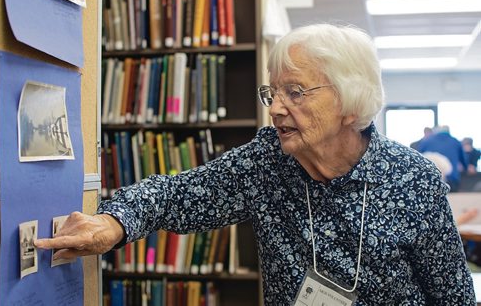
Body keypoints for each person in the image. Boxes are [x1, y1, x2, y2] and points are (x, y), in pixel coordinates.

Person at [35, 24, 475, 305]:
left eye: (295, 93)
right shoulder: (268, 162)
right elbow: (176, 195)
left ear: (348, 100)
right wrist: (115, 222)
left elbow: (452, 295)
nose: (276, 109)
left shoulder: (412, 179)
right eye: (272, 93)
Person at [418, 125, 468, 192]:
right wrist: (466, 169)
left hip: (430, 180)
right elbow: (463, 160)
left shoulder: (427, 141)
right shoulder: (455, 142)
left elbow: (418, 158)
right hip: (451, 179)